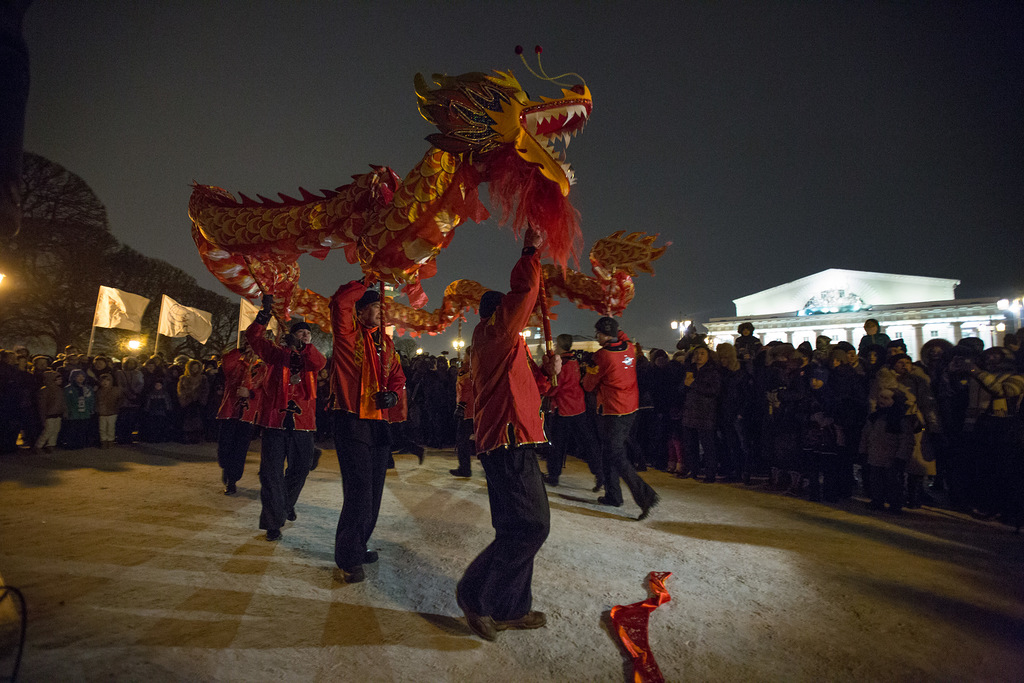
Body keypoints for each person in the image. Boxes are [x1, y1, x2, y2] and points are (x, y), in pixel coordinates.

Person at [456, 227, 561, 642]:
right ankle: (477, 598)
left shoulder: (508, 344)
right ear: (497, 313)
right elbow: (526, 290)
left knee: (516, 527)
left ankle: (510, 607)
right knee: (531, 527)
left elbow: (530, 390)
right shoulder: (493, 333)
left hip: (516, 438)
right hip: (506, 440)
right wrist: (531, 249)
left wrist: (549, 376)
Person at [329, 279, 407, 582]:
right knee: (359, 491)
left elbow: (398, 377)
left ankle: (359, 545)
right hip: (351, 419)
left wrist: (394, 395)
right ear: (360, 313)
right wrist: (365, 280)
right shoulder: (348, 336)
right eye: (375, 307)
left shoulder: (387, 345)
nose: (381, 312)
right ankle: (347, 558)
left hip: (378, 423)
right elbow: (339, 304)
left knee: (373, 492)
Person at [246, 297, 327, 542]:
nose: (304, 335)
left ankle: (285, 504)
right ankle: (273, 523)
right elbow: (254, 339)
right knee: (270, 473)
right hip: (275, 422)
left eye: (307, 333)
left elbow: (318, 362)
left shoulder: (312, 356)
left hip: (303, 424)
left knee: (301, 469)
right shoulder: (275, 354)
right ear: (289, 336)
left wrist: (301, 347)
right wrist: (264, 315)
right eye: (299, 332)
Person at [583, 316, 660, 518]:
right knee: (608, 451)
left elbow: (588, 385)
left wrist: (588, 368)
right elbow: (621, 335)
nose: (596, 337)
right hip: (630, 407)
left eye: (597, 333)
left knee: (615, 454)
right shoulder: (629, 347)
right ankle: (613, 495)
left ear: (604, 335)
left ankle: (645, 495)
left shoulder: (602, 356)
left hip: (612, 409)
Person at [542, 334, 601, 488]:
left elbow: (556, 386)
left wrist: (544, 389)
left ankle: (554, 475)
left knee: (557, 444)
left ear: (560, 345)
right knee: (587, 443)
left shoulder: (563, 363)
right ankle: (600, 473)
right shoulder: (574, 360)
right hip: (578, 406)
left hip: (564, 408)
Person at [215, 341, 261, 495]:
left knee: (239, 449)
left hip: (247, 415)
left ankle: (232, 480)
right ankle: (226, 467)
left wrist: (251, 394)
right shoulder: (236, 364)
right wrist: (241, 350)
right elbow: (226, 362)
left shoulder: (262, 368)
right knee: (225, 446)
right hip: (230, 411)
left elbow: (265, 390)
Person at [450, 348, 476, 478]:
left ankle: (464, 468)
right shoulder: (480, 368)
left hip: (467, 411)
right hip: (479, 410)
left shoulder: (465, 369)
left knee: (462, 440)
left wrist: (461, 405)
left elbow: (465, 389)